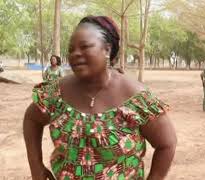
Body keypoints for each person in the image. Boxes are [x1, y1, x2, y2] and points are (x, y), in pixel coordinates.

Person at [23, 16, 177, 180]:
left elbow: (166, 144)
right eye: (71, 49)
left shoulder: (135, 97)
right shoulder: (56, 93)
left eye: (85, 47)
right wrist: (36, 165)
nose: (75, 54)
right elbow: (32, 119)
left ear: (107, 50)